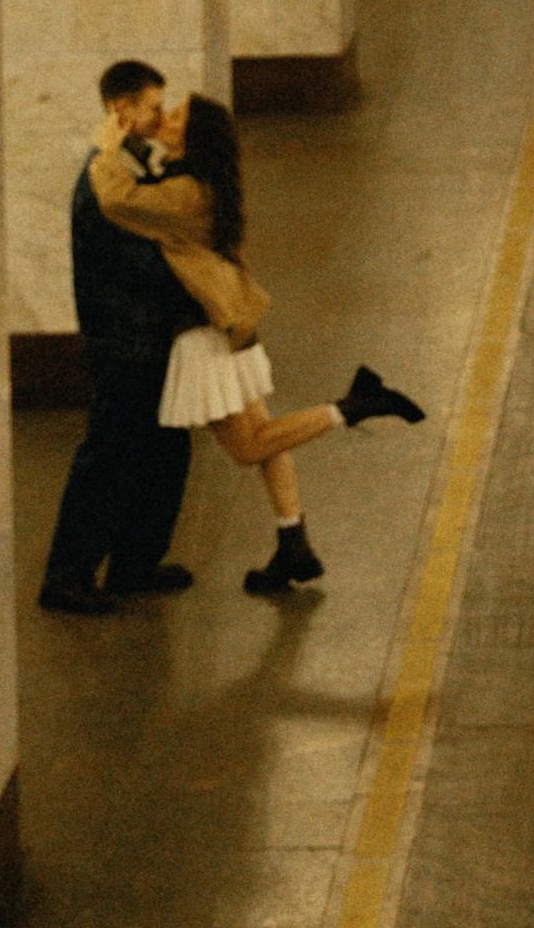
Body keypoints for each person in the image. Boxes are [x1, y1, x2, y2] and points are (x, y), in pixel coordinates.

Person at [88, 88, 425, 597]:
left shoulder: (188, 194)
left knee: (250, 447)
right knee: (270, 438)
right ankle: (293, 540)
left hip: (203, 333)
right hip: (232, 326)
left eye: (175, 116)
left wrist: (107, 150)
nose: (166, 118)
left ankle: (352, 406)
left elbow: (117, 200)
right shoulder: (207, 184)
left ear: (192, 138)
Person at [36, 57, 203, 616]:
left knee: (165, 449)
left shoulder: (132, 168)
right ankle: (67, 574)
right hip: (123, 343)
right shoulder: (104, 181)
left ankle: (136, 562)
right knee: (108, 457)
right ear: (120, 108)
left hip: (147, 339)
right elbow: (143, 261)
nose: (160, 117)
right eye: (153, 107)